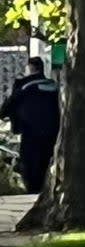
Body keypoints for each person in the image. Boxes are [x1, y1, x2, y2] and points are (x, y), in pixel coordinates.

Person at [0, 57, 60, 193]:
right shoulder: (53, 86)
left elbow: (8, 105)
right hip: (52, 132)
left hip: (30, 132)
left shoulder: (25, 87)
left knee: (30, 164)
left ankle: (33, 190)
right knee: (46, 161)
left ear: (29, 68)